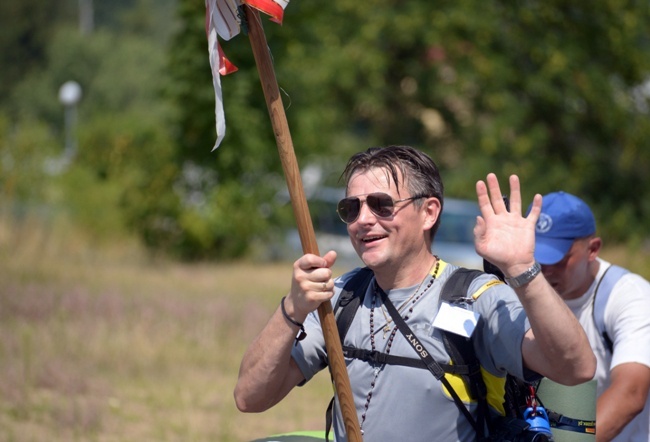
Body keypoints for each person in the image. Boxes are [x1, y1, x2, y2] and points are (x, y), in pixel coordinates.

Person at [234, 145, 595, 441]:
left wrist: (521, 270)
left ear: (429, 212)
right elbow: (250, 397)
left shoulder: (478, 297)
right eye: (351, 208)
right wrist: (291, 311)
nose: (363, 219)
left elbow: (576, 367)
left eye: (381, 204)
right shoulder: (342, 296)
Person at [533, 191, 650, 442]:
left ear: (592, 249)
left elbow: (631, 393)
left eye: (558, 259)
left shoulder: (629, 296)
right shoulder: (525, 288)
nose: (544, 270)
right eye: (537, 257)